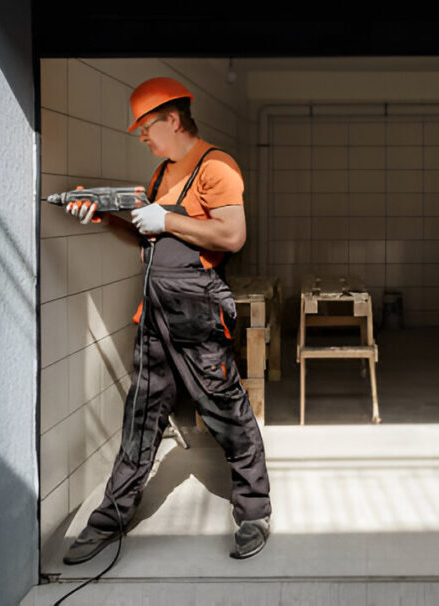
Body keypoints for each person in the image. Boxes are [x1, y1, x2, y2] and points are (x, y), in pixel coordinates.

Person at [61, 77, 272, 563]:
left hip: (198, 311)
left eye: (146, 128)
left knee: (226, 409)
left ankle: (255, 511)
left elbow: (233, 235)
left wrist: (168, 220)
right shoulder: (161, 175)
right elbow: (146, 239)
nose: (142, 137)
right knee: (141, 417)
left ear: (173, 120)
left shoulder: (215, 167)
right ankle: (111, 516)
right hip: (156, 312)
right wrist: (104, 217)